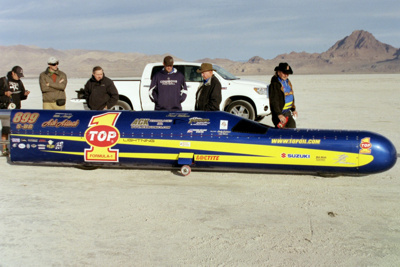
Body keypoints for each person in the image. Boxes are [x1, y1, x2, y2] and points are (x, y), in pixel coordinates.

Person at [0, 66, 30, 155]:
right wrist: (4, 93)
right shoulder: (3, 80)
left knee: (15, 129)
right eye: (18, 75)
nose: (19, 77)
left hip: (17, 109)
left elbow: (21, 96)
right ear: (13, 73)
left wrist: (25, 95)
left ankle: (15, 148)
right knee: (6, 129)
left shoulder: (19, 82)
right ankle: (4, 149)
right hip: (6, 109)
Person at [268, 62, 298, 128]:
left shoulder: (287, 82)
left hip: (288, 113)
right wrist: (279, 115)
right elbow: (274, 101)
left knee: (293, 130)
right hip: (280, 115)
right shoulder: (275, 84)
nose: (286, 75)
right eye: (284, 73)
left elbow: (291, 95)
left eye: (287, 73)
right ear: (278, 72)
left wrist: (293, 109)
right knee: (282, 135)